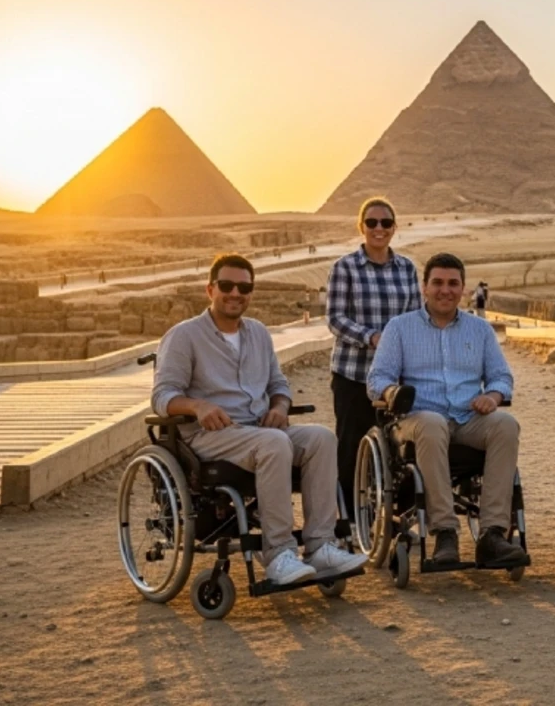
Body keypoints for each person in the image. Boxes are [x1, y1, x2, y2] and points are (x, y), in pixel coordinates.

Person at [151, 254, 367, 586]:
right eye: (226, 285)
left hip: (259, 431)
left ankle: (320, 546)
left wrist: (280, 406)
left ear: (251, 292)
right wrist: (197, 407)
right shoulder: (184, 337)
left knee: (322, 438)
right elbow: (163, 396)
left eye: (244, 287)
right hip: (212, 436)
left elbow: (277, 385)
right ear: (210, 289)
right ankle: (279, 553)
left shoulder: (258, 334)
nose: (235, 293)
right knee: (274, 442)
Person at [367, 252, 527, 568]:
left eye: (453, 283)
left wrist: (493, 396)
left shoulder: (480, 330)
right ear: (424, 288)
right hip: (418, 420)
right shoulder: (399, 328)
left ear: (463, 289)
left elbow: (501, 376)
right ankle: (444, 532)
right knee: (431, 423)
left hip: (469, 418)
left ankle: (493, 534)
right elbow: (377, 379)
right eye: (437, 282)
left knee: (506, 425)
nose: (445, 290)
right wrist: (392, 392)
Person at [327, 197, 421, 515]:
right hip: (354, 373)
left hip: (396, 377)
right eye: (371, 223)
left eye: (385, 223)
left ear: (394, 228)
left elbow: (415, 316)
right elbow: (336, 318)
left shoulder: (407, 268)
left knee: (403, 446)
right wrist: (371, 337)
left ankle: (398, 513)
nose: (378, 229)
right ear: (361, 226)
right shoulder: (345, 268)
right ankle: (351, 520)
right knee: (351, 447)